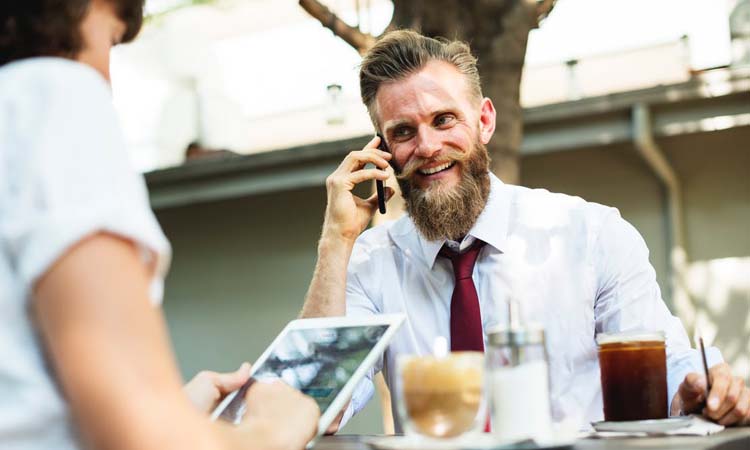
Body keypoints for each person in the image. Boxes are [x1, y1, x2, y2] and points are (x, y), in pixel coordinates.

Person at [301, 29, 750, 430]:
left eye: (444, 120)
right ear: (382, 151)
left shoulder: (592, 235)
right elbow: (314, 409)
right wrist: (334, 242)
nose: (428, 146)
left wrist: (703, 391)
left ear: (485, 121)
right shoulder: (369, 264)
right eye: (403, 132)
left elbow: (667, 368)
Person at [0, 1, 319, 449]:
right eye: (111, 39)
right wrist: (276, 429)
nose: (107, 80)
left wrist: (170, 409)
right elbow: (146, 442)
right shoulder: (50, 92)